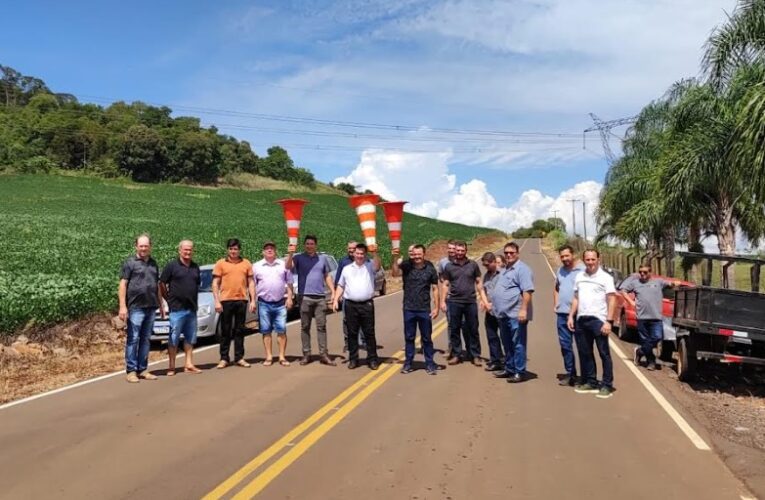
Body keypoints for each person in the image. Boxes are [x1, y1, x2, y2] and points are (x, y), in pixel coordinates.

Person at [567, 249, 617, 399]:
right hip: (582, 319)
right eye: (587, 260)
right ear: (584, 261)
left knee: (604, 353)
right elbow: (576, 298)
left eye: (593, 259)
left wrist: (609, 321)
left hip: (599, 320)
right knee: (585, 352)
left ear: (598, 259)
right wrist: (571, 316)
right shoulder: (579, 276)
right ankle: (591, 381)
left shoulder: (606, 278)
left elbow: (612, 299)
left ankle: (607, 385)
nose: (590, 263)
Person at [286, 235, 336, 366]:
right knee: (305, 327)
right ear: (304, 245)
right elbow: (287, 267)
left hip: (320, 297)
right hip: (304, 297)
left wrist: (333, 291)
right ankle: (306, 354)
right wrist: (290, 253)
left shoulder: (322, 259)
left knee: (322, 327)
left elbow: (327, 276)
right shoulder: (298, 258)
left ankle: (324, 354)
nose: (309, 246)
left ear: (316, 245)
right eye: (307, 243)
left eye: (312, 243)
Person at [119, 234, 162, 383]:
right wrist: (123, 306)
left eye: (146, 246)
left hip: (151, 306)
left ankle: (142, 369)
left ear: (150, 247)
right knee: (133, 339)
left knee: (145, 339)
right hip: (136, 307)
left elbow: (157, 286)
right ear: (136, 246)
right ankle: (131, 371)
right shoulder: (130, 263)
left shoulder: (154, 264)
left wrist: (161, 305)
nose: (144, 248)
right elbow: (123, 284)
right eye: (141, 246)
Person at [391, 244, 440, 375]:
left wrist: (437, 307)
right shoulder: (407, 265)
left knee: (427, 338)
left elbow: (435, 288)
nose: (417, 256)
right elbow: (395, 273)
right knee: (409, 337)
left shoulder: (430, 268)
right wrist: (395, 258)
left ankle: (429, 364)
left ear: (424, 254)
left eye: (419, 254)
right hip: (409, 308)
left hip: (424, 309)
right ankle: (408, 363)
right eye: (415, 254)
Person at [490, 242, 534, 383]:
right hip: (503, 315)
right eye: (506, 253)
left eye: (512, 252)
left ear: (517, 253)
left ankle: (519, 371)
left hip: (516, 314)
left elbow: (527, 291)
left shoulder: (522, 269)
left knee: (518, 344)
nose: (509, 255)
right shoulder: (505, 269)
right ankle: (509, 368)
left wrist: (523, 309)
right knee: (507, 343)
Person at [332, 243, 382, 370]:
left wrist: (375, 253)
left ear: (365, 255)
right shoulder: (347, 269)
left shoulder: (370, 266)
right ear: (354, 254)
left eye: (362, 254)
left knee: (369, 333)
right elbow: (341, 285)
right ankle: (353, 359)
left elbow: (377, 265)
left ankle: (372, 359)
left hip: (366, 305)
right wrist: (336, 299)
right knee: (352, 333)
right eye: (357, 253)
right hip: (350, 305)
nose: (359, 256)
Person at [620, 263, 675, 371]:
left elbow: (669, 284)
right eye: (640, 272)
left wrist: (673, 283)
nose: (642, 274)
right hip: (642, 317)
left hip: (656, 318)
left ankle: (639, 351)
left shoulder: (658, 282)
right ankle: (651, 362)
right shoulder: (635, 283)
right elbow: (623, 291)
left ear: (650, 272)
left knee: (657, 337)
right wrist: (631, 302)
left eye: (645, 272)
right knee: (645, 340)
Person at [159, 239, 202, 376]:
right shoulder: (172, 266)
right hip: (176, 309)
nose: (188, 252)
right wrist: (168, 299)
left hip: (191, 308)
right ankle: (172, 366)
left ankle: (188, 364)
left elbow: (196, 284)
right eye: (185, 249)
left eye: (190, 249)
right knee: (174, 337)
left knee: (190, 337)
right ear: (180, 250)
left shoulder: (195, 267)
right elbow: (161, 283)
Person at [212, 238, 256, 369]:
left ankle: (239, 357)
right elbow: (215, 283)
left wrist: (253, 300)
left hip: (241, 300)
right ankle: (224, 358)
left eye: (235, 249)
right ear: (227, 250)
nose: (233, 251)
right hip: (225, 301)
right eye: (231, 249)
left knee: (240, 330)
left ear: (239, 250)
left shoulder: (246, 263)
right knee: (225, 331)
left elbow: (251, 283)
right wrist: (216, 301)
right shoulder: (220, 264)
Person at [440, 241, 483, 366]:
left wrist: (483, 299)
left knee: (473, 329)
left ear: (465, 251)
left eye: (461, 251)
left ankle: (475, 355)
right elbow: (445, 284)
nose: (459, 253)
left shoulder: (473, 265)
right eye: (457, 251)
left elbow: (479, 282)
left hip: (470, 302)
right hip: (454, 302)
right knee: (454, 329)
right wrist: (443, 301)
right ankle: (456, 354)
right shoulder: (449, 267)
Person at [253, 241, 294, 367]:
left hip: (280, 303)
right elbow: (253, 285)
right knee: (266, 331)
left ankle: (282, 356)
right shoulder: (256, 266)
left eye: (271, 248)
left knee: (281, 330)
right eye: (267, 248)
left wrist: (290, 298)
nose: (269, 250)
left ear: (275, 250)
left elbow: (290, 282)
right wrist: (252, 301)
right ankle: (269, 356)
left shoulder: (283, 265)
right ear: (263, 252)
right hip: (264, 303)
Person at [553, 245, 585, 386]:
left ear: (573, 255)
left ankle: (586, 377)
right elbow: (556, 288)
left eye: (567, 256)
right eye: (562, 256)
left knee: (582, 346)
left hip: (580, 314)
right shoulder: (560, 270)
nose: (565, 259)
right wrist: (556, 303)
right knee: (565, 346)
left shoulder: (583, 270)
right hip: (562, 314)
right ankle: (571, 374)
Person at [478, 252, 505, 372]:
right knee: (492, 336)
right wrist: (484, 302)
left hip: (502, 311)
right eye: (485, 265)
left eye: (488, 265)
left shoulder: (504, 274)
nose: (486, 267)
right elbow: (483, 290)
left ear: (494, 262)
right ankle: (495, 360)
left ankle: (508, 362)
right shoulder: (487, 276)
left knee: (505, 338)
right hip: (490, 311)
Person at [336, 240, 365, 352]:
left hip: (361, 297)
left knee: (363, 320)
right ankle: (348, 343)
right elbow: (338, 280)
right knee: (346, 320)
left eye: (354, 248)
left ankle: (364, 341)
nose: (351, 250)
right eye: (349, 248)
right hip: (347, 298)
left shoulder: (364, 260)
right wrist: (338, 295)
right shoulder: (343, 262)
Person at [438, 240, 457, 357]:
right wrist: (442, 299)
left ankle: (470, 350)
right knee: (451, 324)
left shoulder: (463, 261)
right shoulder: (443, 262)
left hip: (462, 298)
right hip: (449, 298)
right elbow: (440, 278)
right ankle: (452, 348)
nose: (451, 250)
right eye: (449, 248)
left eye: (453, 248)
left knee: (465, 325)